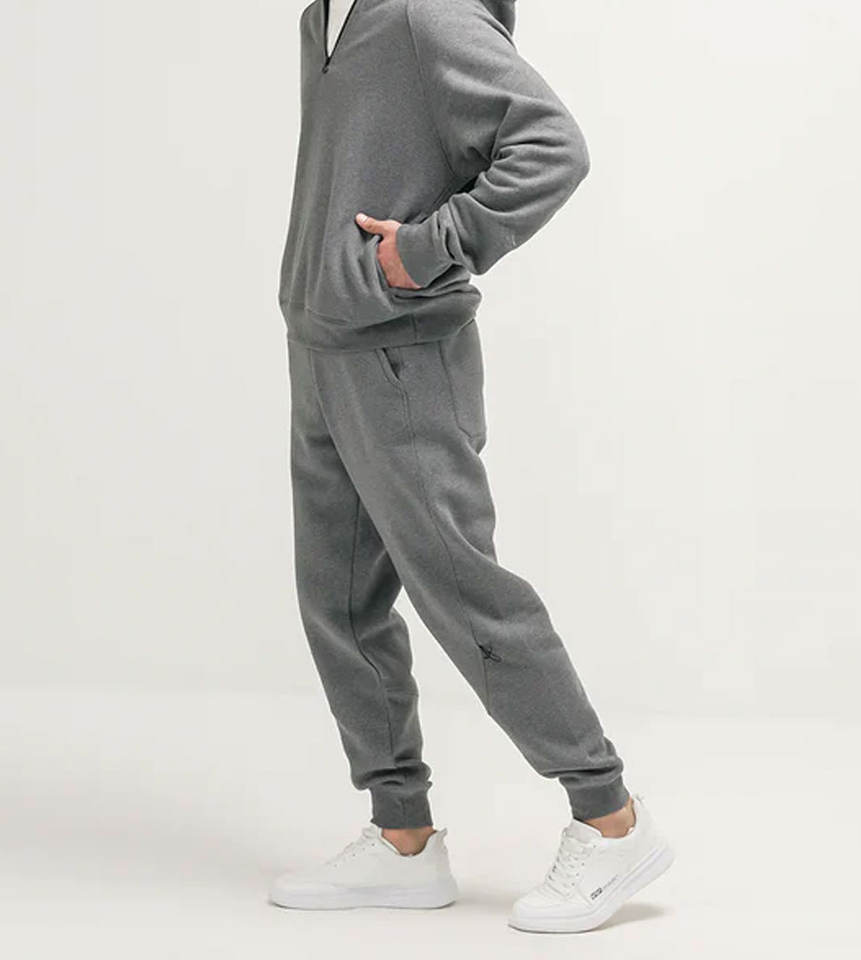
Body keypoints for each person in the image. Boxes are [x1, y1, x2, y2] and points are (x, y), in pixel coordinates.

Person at [270, 0, 673, 932]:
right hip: (321, 348)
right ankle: (403, 836)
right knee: (338, 603)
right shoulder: (321, 17)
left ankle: (610, 818)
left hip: (402, 358)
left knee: (465, 592)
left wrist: (425, 252)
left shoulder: (426, 14)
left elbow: (551, 146)